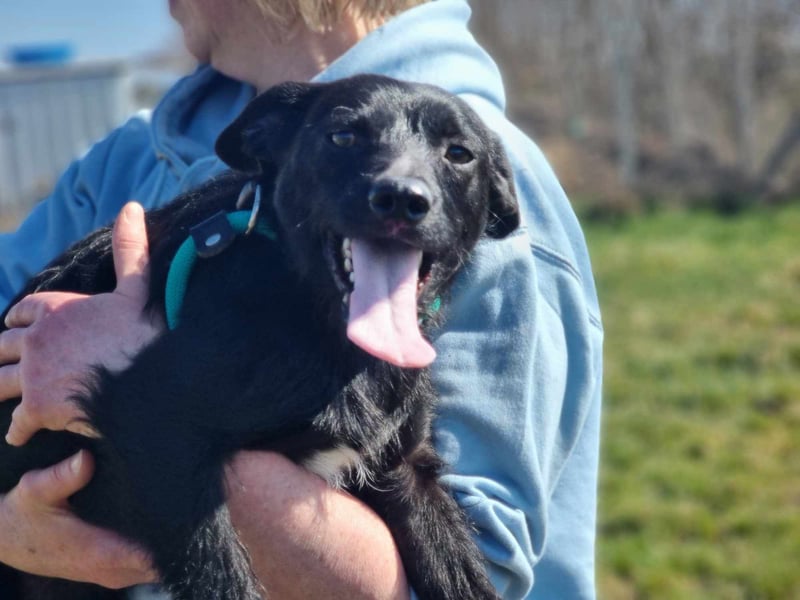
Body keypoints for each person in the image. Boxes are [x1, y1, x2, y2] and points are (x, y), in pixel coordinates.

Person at [0, 0, 604, 598]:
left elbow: (474, 571)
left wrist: (117, 374)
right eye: (344, 137)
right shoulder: (130, 154)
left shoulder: (500, 209)